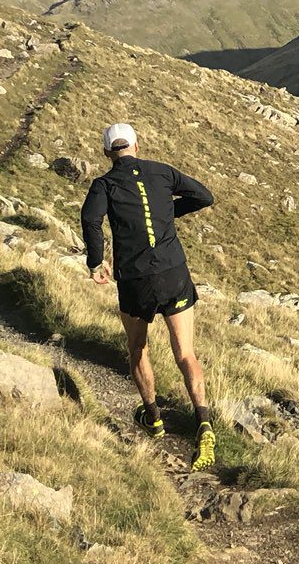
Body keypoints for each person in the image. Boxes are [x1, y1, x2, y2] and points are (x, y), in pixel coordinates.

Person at [80, 121, 219, 469]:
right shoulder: (162, 172)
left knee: (137, 347)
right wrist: (167, 214)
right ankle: (203, 422)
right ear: (137, 146)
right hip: (174, 272)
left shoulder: (104, 185)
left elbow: (90, 221)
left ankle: (154, 418)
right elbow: (204, 196)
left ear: (106, 152)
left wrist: (96, 262)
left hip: (135, 278)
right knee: (185, 352)